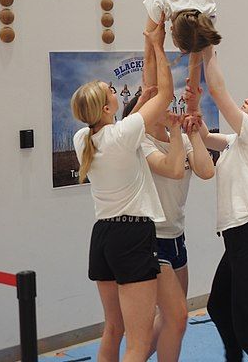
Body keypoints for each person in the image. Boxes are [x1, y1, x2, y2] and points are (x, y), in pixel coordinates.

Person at [70, 21, 176, 362]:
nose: (118, 91)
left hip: (103, 235)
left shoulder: (82, 139)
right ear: (105, 108)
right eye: (112, 91)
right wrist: (158, 46)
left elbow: (120, 126)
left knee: (113, 328)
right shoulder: (121, 135)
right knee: (138, 343)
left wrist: (137, 101)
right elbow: (166, 95)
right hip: (132, 235)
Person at [187, 46, 248, 361]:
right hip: (239, 242)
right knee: (218, 307)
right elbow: (205, 136)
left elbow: (220, 92)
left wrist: (208, 52)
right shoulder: (237, 141)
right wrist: (193, 111)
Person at [121, 36, 215, 362]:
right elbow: (174, 170)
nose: (168, 104)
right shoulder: (142, 144)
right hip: (151, 239)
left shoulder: (179, 136)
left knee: (172, 320)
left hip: (176, 236)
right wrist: (154, 45)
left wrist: (191, 133)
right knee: (175, 317)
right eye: (162, 102)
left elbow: (205, 171)